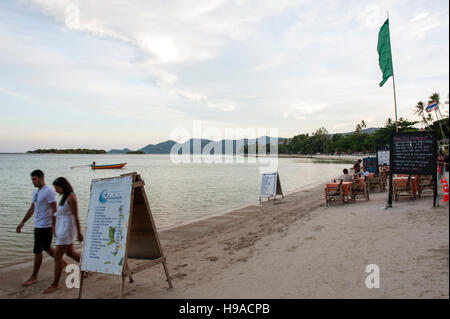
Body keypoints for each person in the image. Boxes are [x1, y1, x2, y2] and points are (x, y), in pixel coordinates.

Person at [16, 170, 57, 286]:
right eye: (32, 179)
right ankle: (64, 264)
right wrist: (22, 222)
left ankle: (34, 276)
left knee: (37, 251)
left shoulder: (49, 192)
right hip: (38, 226)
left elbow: (55, 210)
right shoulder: (35, 191)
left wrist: (54, 226)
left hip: (46, 226)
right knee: (48, 248)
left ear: (41, 178)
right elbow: (32, 208)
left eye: (34, 179)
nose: (33, 182)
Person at [43, 177, 84, 294]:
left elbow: (76, 216)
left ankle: (55, 284)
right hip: (62, 227)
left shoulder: (71, 197)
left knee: (57, 256)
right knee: (70, 252)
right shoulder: (64, 197)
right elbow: (59, 214)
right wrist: (54, 227)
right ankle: (86, 268)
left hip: (67, 229)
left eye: (57, 188)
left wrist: (79, 233)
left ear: (63, 186)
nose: (56, 190)